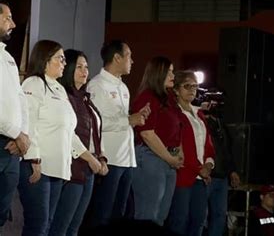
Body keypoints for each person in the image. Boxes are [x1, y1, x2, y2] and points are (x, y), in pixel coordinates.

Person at [18, 40, 99, 236]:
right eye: (60, 59)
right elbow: (29, 123)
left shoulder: (59, 89)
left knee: (48, 225)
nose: (64, 63)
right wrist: (33, 158)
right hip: (39, 166)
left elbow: (69, 133)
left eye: (64, 59)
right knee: (37, 226)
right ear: (45, 60)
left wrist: (89, 157)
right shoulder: (34, 83)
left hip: (58, 168)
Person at [86, 40, 150, 228]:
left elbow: (120, 120)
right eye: (129, 55)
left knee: (120, 215)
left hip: (126, 159)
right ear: (117, 58)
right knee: (102, 215)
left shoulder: (123, 87)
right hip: (109, 160)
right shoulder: (97, 85)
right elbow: (96, 123)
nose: (132, 61)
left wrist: (135, 117)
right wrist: (129, 120)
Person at [49, 49, 108, 235]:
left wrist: (102, 156)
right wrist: (91, 158)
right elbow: (70, 134)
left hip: (89, 168)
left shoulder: (85, 98)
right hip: (72, 169)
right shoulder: (63, 96)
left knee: (75, 227)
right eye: (79, 67)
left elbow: (95, 133)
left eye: (87, 67)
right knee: (61, 227)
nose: (85, 71)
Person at [131, 56, 183, 226]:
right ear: (158, 73)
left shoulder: (169, 99)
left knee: (160, 216)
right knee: (148, 215)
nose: (173, 75)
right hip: (150, 158)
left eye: (172, 71)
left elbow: (178, 128)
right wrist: (170, 158)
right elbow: (147, 134)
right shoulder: (147, 97)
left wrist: (177, 154)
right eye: (169, 72)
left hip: (168, 161)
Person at [167, 70, 215, 236]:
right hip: (183, 175)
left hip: (200, 176)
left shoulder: (199, 113)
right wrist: (199, 168)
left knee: (199, 220)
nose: (192, 89)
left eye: (195, 86)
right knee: (179, 221)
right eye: (187, 86)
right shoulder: (174, 113)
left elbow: (208, 143)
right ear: (176, 89)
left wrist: (208, 164)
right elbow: (182, 147)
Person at [0, 2, 30, 233]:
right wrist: (17, 133)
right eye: (7, 18)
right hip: (7, 138)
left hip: (12, 146)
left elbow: (21, 100)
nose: (13, 23)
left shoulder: (8, 58)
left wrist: (24, 136)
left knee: (2, 214)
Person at [204, 105, 241, 236]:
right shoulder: (202, 121)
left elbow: (226, 151)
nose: (217, 104)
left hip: (222, 176)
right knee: (201, 215)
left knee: (220, 215)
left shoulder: (222, 125)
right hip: (206, 175)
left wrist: (232, 171)